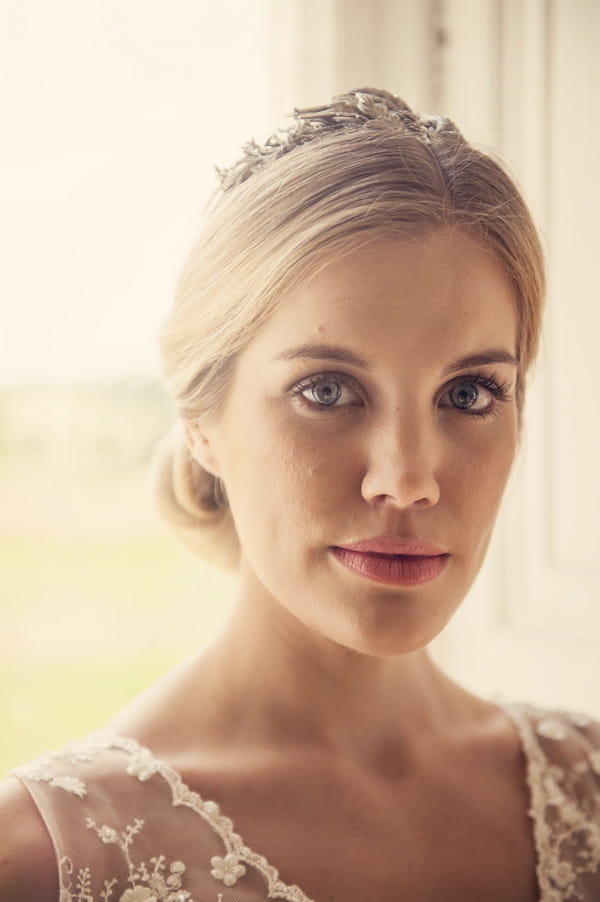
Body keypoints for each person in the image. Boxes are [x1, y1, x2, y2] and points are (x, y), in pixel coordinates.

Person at [1, 87, 599, 902]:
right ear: (201, 418)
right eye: (327, 390)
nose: (409, 480)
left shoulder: (590, 787)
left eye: (468, 395)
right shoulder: (43, 861)